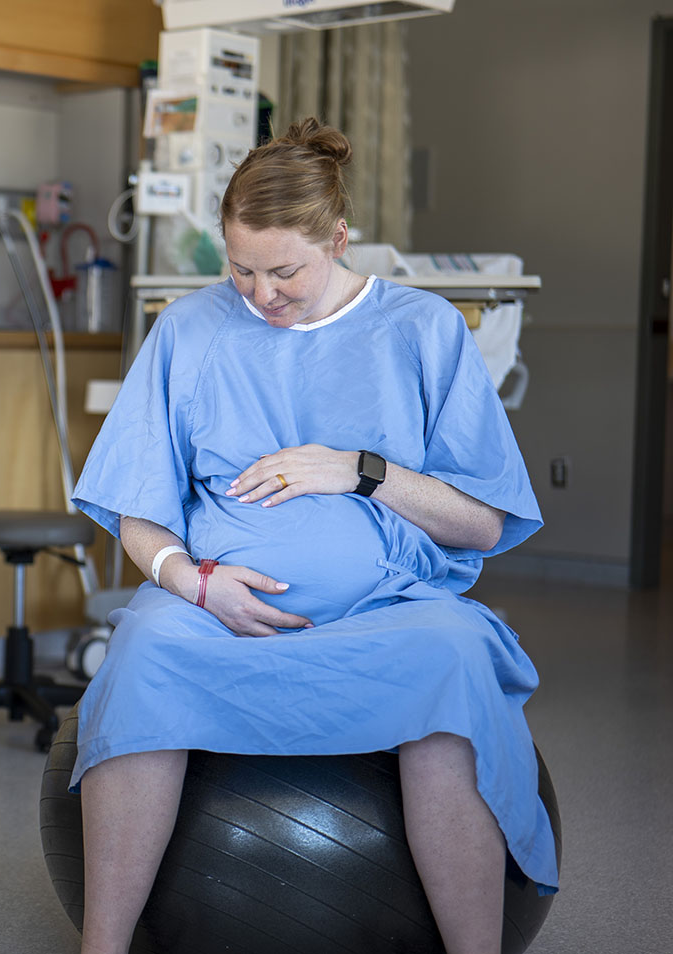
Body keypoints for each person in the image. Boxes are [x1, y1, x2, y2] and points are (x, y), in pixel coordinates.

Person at [68, 117, 558, 954]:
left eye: (285, 270)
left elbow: (480, 520)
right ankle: (101, 948)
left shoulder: (422, 329)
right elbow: (137, 508)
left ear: (338, 237)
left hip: (390, 610)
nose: (261, 295)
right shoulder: (189, 330)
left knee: (453, 661)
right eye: (241, 269)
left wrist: (359, 469)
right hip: (217, 609)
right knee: (144, 649)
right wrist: (192, 581)